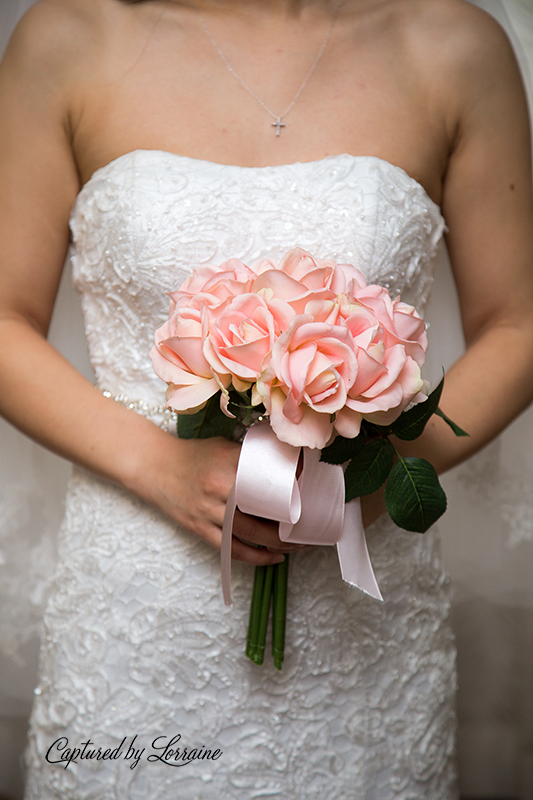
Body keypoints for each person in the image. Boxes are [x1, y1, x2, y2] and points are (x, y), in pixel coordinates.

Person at [1, 0, 533, 796]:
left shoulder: (451, 44)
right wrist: (162, 465)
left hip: (361, 612)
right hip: (137, 606)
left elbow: (518, 325)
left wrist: (372, 483)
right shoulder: (69, 35)